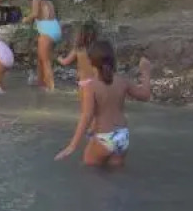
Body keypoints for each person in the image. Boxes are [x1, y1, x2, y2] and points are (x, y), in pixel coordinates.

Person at [55, 40, 152, 168]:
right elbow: (145, 95)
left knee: (90, 174)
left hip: (104, 137)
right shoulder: (122, 81)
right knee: (116, 175)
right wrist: (146, 72)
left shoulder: (91, 86)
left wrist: (72, 146)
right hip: (122, 136)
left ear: (91, 61)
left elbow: (87, 116)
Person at [23, 0, 61, 92]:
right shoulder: (48, 0)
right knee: (41, 59)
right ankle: (41, 84)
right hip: (55, 29)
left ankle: (51, 89)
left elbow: (34, 14)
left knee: (45, 61)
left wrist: (25, 19)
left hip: (47, 31)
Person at [58, 21, 99, 99]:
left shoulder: (78, 50)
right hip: (96, 82)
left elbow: (65, 62)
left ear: (80, 36)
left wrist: (59, 58)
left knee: (84, 104)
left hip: (83, 82)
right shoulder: (97, 49)